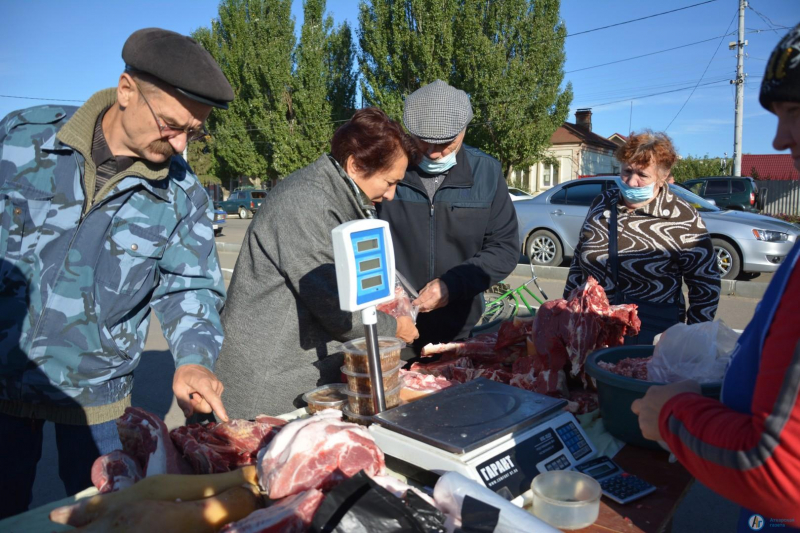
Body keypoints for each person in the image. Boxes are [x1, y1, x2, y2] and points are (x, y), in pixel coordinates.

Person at [0, 28, 232, 518]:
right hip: (1, 381)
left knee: (107, 520)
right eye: (171, 124)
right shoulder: (20, 139)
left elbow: (189, 287)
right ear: (126, 90)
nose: (179, 142)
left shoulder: (182, 195)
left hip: (97, 402)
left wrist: (193, 359)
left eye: (192, 131)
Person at [632, 24, 800, 530]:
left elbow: (779, 467)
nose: (778, 136)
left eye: (794, 112)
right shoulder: (603, 209)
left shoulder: (686, 219)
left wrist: (676, 411)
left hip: (663, 350)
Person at [214, 108, 421, 420]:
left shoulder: (339, 198)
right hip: (267, 386)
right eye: (389, 182)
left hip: (295, 374)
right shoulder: (306, 203)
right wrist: (394, 328)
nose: (391, 195)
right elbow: (335, 308)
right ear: (355, 165)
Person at [376, 80, 519, 351]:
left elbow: (505, 248)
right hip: (391, 331)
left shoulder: (486, 173)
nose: (434, 152)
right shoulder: (386, 171)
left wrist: (452, 286)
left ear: (464, 129)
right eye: (423, 143)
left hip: (461, 334)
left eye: (446, 144)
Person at [563, 131, 720, 343]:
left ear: (663, 176)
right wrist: (566, 312)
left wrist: (692, 338)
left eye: (643, 175)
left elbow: (705, 284)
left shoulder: (682, 217)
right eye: (627, 171)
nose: (631, 182)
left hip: (650, 332)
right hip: (591, 325)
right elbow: (578, 263)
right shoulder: (602, 203)